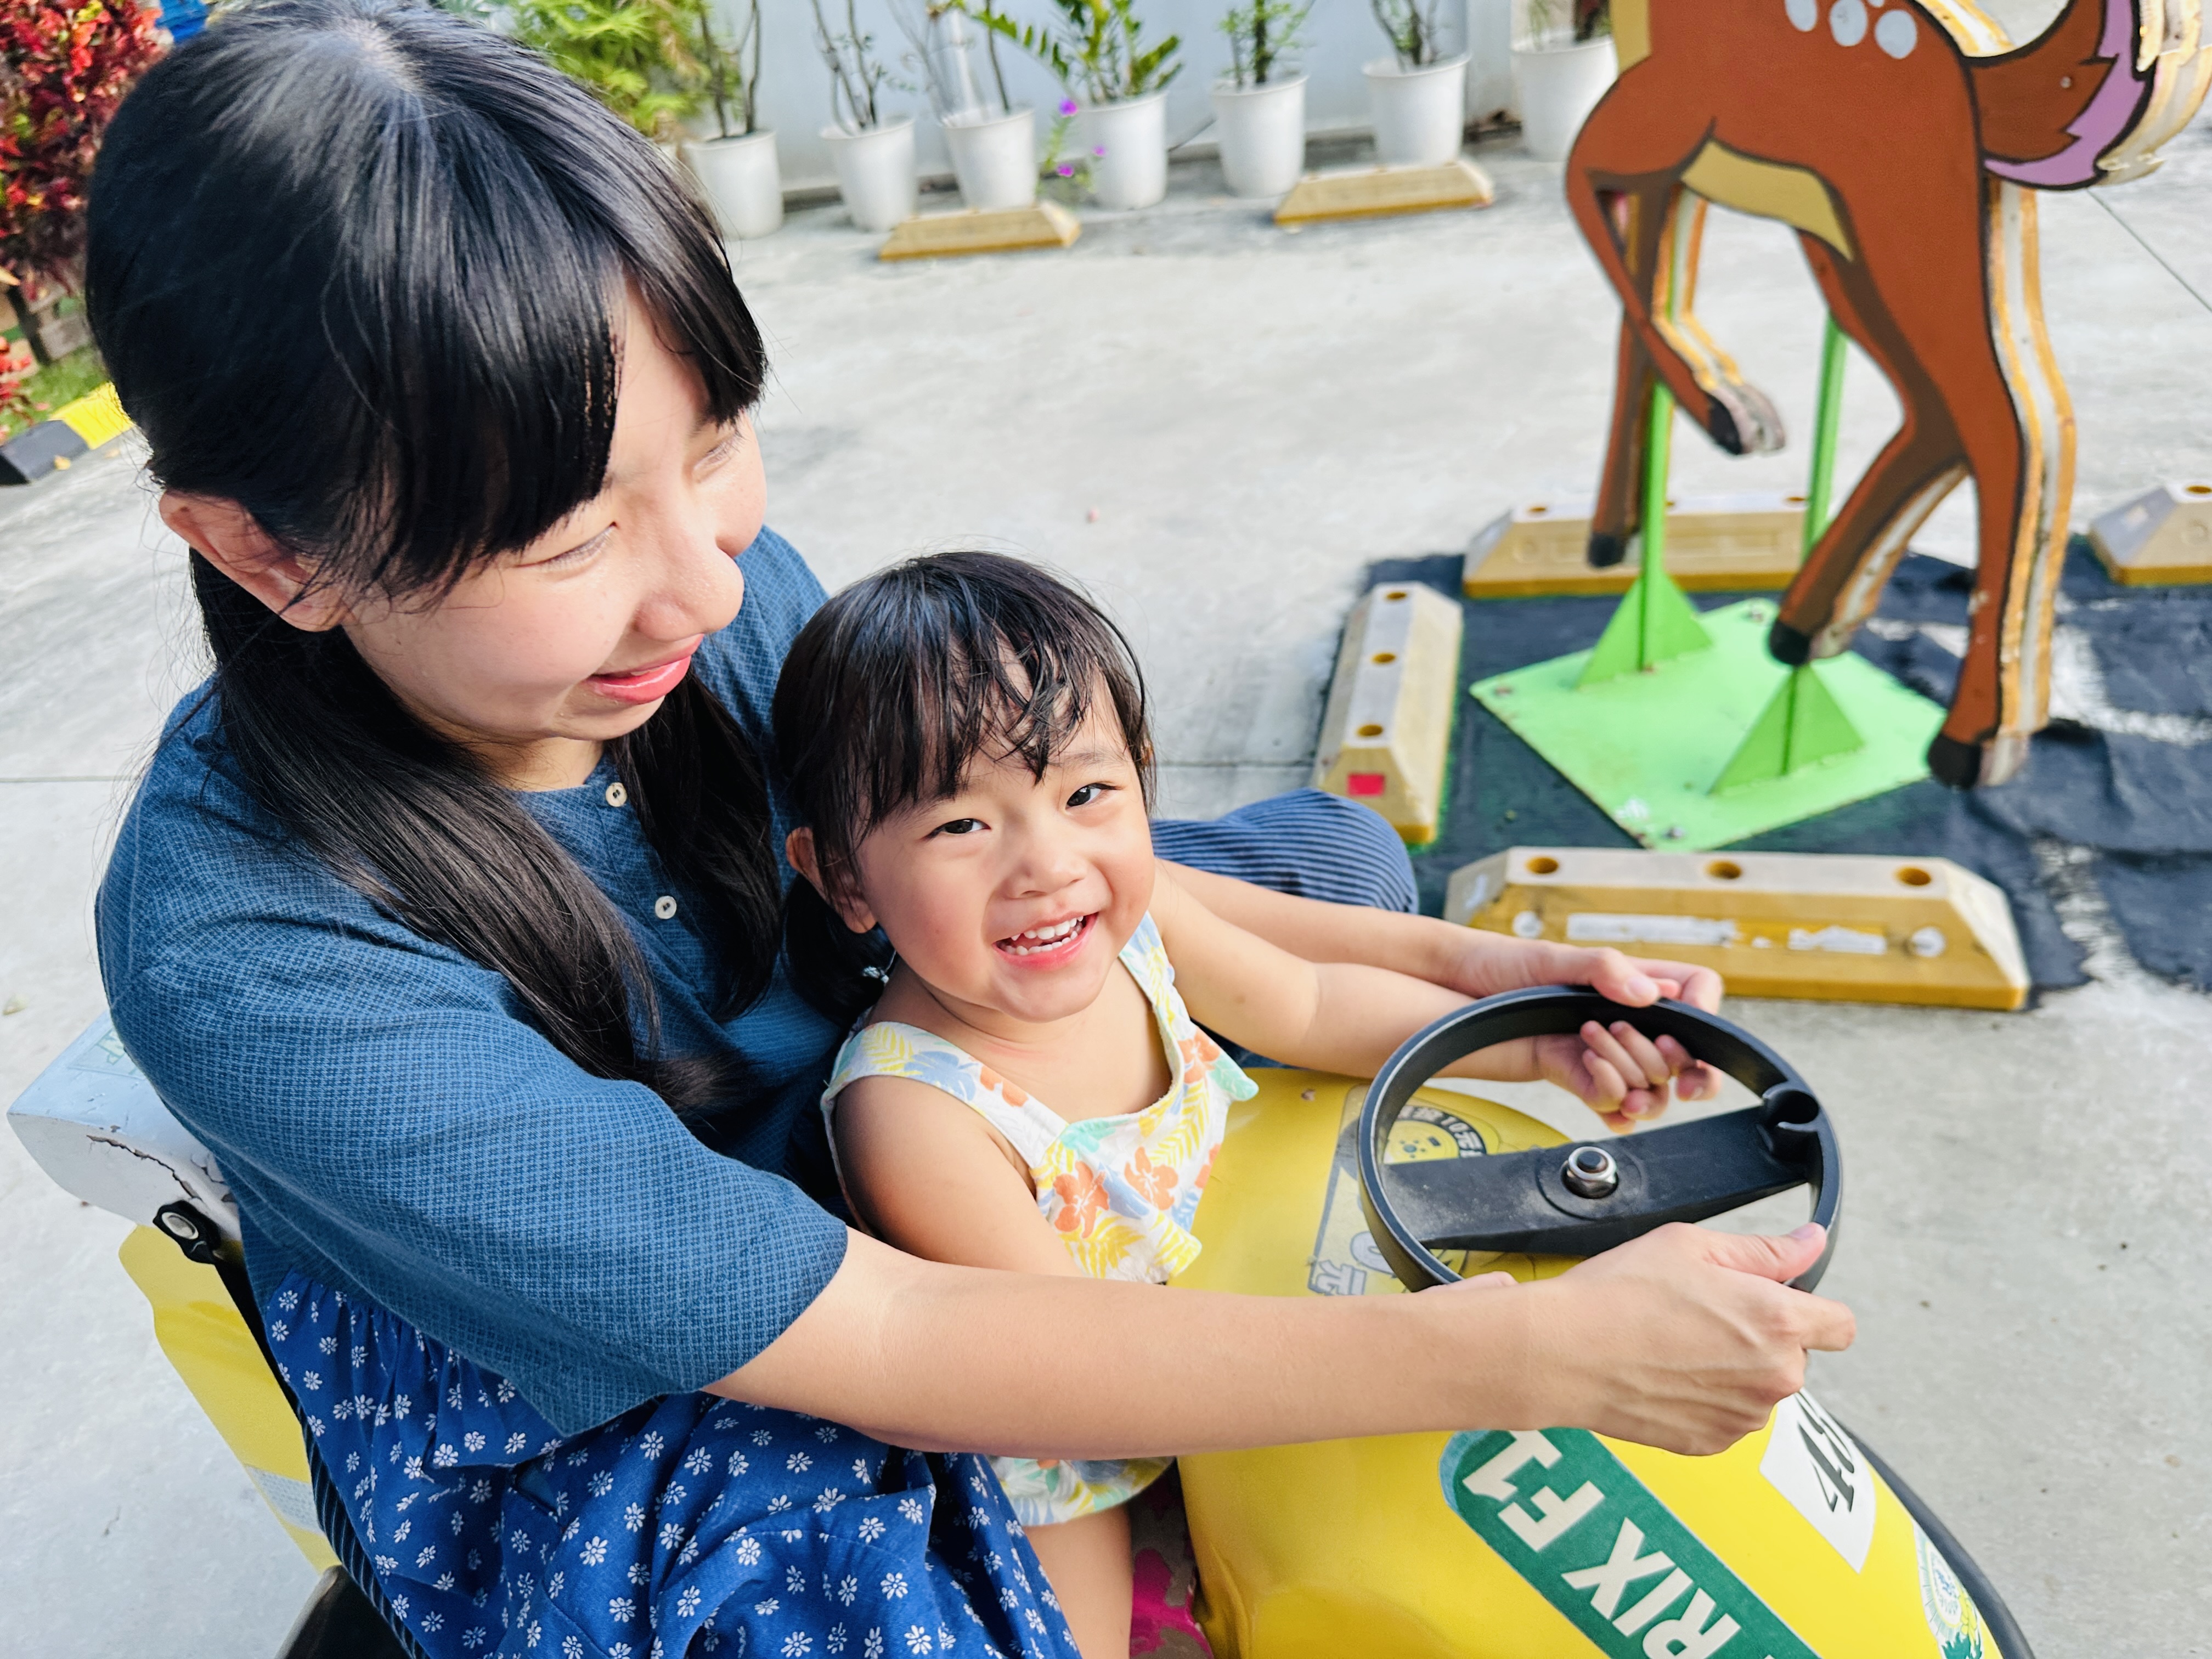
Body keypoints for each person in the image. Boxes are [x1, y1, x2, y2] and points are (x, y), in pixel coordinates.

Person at [85, 3, 1854, 1655]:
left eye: (714, 448)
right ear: (268, 552)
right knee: (866, 1589)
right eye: (567, 542)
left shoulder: (713, 608)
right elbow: (893, 1335)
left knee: (1327, 871)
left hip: (899, 1067)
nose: (706, 581)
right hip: (692, 1322)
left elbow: (1107, 904)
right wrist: (1523, 1356)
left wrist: (1505, 981)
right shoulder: (251, 951)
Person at [776, 551, 1739, 1656]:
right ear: (844, 878)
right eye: (960, 827)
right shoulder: (915, 1109)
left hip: (1246, 1277)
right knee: (1076, 1636)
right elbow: (1091, 1372)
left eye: (1087, 794)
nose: (1046, 863)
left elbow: (1314, 1000)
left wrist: (1541, 1043)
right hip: (1082, 1435)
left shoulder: (1130, 922)